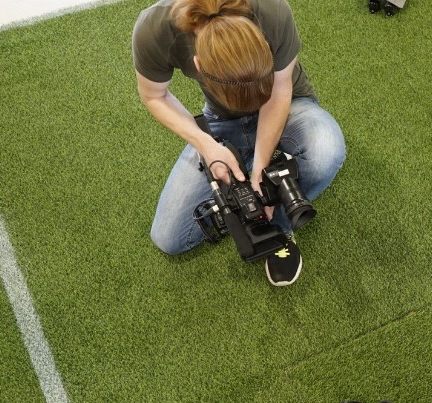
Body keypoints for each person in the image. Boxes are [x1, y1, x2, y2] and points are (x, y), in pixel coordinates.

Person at [132, 0, 346, 286]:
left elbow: (280, 88)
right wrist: (207, 146)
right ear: (199, 64)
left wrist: (260, 167)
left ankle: (279, 224)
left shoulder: (271, 10)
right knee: (169, 238)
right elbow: (154, 96)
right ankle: (243, 167)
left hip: (286, 104)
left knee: (326, 148)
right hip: (222, 120)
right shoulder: (154, 29)